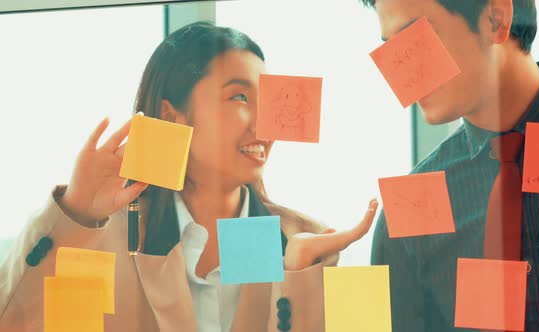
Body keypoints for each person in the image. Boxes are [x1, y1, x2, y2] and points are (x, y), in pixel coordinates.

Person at [0, 21, 378, 332]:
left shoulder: (313, 245)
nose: (265, 126)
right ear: (170, 116)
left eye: (269, 102)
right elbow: (13, 322)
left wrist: (300, 278)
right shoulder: (103, 237)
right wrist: (74, 211)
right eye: (240, 98)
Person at [362, 0, 539, 331]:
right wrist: (306, 281)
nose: (402, 75)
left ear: (495, 18)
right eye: (392, 49)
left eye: (415, 36)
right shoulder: (408, 210)